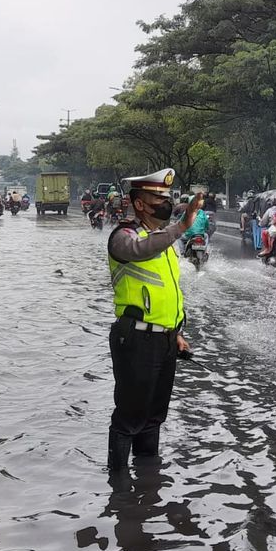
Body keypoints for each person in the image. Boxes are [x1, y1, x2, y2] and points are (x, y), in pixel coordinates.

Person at [106, 168, 204, 476]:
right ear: (139, 204)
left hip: (164, 340)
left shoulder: (163, 243)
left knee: (153, 416)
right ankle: (119, 488)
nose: (166, 202)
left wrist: (176, 333)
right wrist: (181, 226)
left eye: (167, 198)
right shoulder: (124, 236)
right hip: (135, 339)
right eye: (158, 198)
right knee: (129, 418)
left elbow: (168, 292)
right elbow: (138, 251)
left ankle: (148, 483)